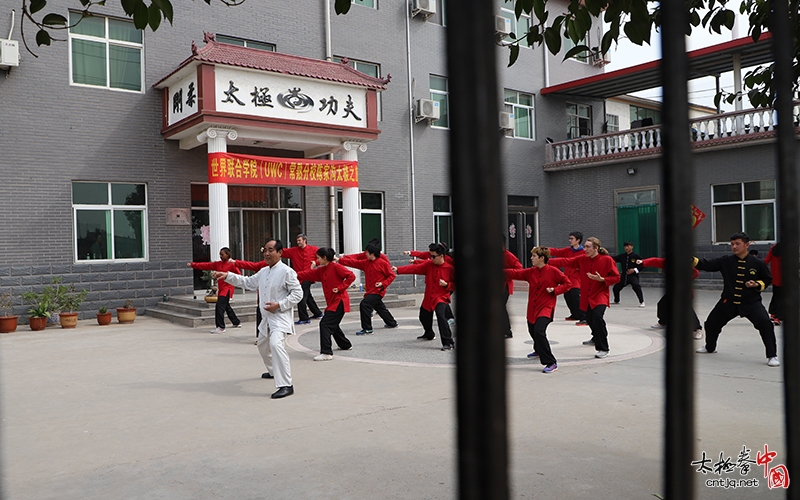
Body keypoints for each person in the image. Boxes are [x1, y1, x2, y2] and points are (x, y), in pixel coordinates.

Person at [213, 240, 302, 399]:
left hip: (279, 317)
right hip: (266, 318)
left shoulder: (287, 272)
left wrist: (280, 305)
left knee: (275, 344)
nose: (267, 254)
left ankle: (286, 385)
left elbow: (297, 294)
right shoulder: (263, 271)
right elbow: (247, 282)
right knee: (262, 345)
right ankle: (274, 370)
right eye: (265, 250)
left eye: (271, 250)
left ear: (280, 253)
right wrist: (227, 276)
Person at [694, 232, 779, 367]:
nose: (734, 247)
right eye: (732, 244)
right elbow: (706, 264)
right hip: (728, 302)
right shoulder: (726, 261)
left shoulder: (757, 263)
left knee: (765, 323)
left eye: (737, 244)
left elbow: (767, 279)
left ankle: (772, 355)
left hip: (751, 303)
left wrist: (757, 284)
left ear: (747, 245)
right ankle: (710, 347)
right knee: (711, 324)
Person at [549, 237, 620, 358]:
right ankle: (596, 336)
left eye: (588, 247)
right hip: (586, 295)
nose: (585, 249)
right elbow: (566, 261)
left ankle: (603, 347)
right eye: (585, 246)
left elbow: (617, 277)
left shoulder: (607, 260)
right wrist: (546, 261)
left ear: (596, 248)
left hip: (600, 295)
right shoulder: (582, 259)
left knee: (597, 317)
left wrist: (603, 279)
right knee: (590, 319)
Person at [504, 246, 571, 373]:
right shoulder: (531, 272)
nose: (531, 258)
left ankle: (551, 362)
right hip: (532, 308)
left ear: (542, 258)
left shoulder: (554, 271)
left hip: (546, 307)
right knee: (532, 330)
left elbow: (567, 283)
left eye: (534, 256)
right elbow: (515, 273)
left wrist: (555, 290)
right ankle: (539, 349)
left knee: (539, 331)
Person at [394, 243, 456, 351]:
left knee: (441, 316)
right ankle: (429, 333)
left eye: (433, 256)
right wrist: (398, 269)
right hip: (429, 297)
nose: (431, 258)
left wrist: (447, 285)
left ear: (441, 256)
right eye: (430, 256)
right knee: (423, 316)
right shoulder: (429, 265)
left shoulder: (450, 268)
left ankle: (448, 342)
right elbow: (415, 268)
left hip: (441, 297)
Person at [297, 247, 356, 361]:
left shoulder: (336, 267)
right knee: (332, 324)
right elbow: (308, 274)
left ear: (324, 257)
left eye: (318, 257)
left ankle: (326, 352)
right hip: (332, 302)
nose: (317, 260)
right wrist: (293, 275)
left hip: (340, 301)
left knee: (325, 324)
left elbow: (351, 276)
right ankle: (345, 345)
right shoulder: (322, 270)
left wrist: (340, 288)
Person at [338, 243, 398, 335]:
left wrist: (383, 283)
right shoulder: (366, 263)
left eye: (367, 253)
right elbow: (354, 263)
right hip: (370, 290)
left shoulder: (382, 263)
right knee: (380, 307)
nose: (365, 254)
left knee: (364, 304)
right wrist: (339, 260)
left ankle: (367, 328)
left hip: (378, 291)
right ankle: (392, 323)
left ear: (372, 253)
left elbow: (392, 275)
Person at [637, 257, 703, 339]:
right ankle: (663, 322)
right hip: (673, 290)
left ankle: (697, 329)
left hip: (685, 291)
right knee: (662, 304)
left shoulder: (684, 264)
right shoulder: (666, 262)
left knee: (687, 310)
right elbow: (655, 261)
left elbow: (696, 273)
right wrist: (643, 262)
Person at [188, 247, 242, 333]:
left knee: (219, 306)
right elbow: (206, 265)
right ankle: (236, 322)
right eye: (220, 254)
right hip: (222, 288)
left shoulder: (232, 264)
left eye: (222, 254)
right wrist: (193, 265)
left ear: (227, 255)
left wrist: (229, 277)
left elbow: (239, 276)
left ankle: (221, 327)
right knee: (226, 306)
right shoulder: (218, 264)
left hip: (227, 289)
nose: (220, 256)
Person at [281, 234, 323, 325]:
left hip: (309, 276)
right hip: (299, 277)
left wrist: (315, 262)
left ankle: (304, 318)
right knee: (308, 297)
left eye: (299, 240)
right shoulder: (294, 250)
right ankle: (317, 313)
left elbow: (323, 257)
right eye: (297, 241)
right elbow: (282, 252)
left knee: (301, 296)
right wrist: (268, 250)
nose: (298, 242)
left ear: (304, 240)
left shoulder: (314, 249)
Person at [549, 231, 587, 325]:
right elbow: (556, 251)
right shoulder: (567, 250)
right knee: (567, 296)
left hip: (577, 279)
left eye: (572, 239)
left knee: (576, 297)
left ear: (578, 240)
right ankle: (575, 314)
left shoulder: (584, 252)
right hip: (567, 278)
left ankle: (584, 317)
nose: (570, 240)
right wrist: (543, 249)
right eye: (569, 238)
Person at [612, 241, 645, 307]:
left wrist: (634, 270)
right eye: (625, 246)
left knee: (636, 286)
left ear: (632, 247)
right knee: (616, 288)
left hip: (633, 276)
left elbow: (642, 265)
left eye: (628, 246)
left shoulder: (636, 256)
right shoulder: (622, 256)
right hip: (624, 276)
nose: (627, 248)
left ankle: (642, 301)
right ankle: (616, 300)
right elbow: (613, 258)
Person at [502, 239, 524, 338]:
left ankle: (507, 331)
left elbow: (519, 269)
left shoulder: (509, 256)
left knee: (501, 307)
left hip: (504, 286)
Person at [764, 242, 782, 326]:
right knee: (783, 298)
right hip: (786, 277)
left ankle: (773, 313)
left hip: (775, 276)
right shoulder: (790, 248)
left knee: (776, 295)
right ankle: (778, 317)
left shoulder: (774, 248)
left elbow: (767, 260)